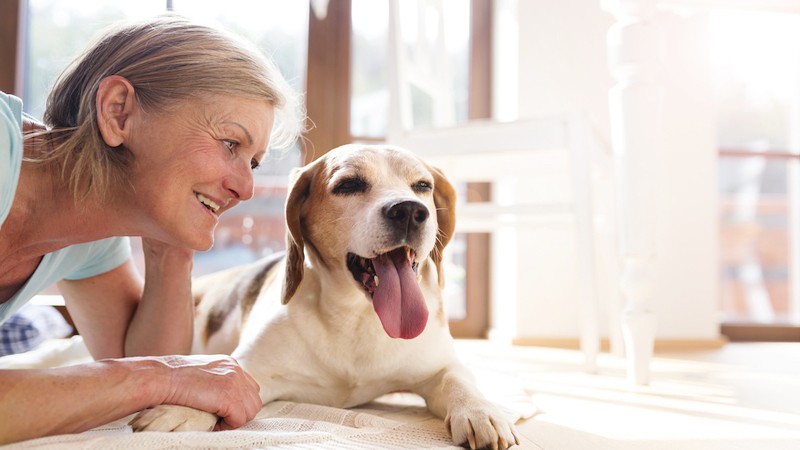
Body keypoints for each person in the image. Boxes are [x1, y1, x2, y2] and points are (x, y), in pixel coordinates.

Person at [0, 14, 302, 444]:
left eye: (252, 162)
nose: (247, 187)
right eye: (230, 144)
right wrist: (160, 378)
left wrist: (173, 247)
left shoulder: (89, 232)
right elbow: (153, 372)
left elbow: (138, 362)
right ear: (118, 112)